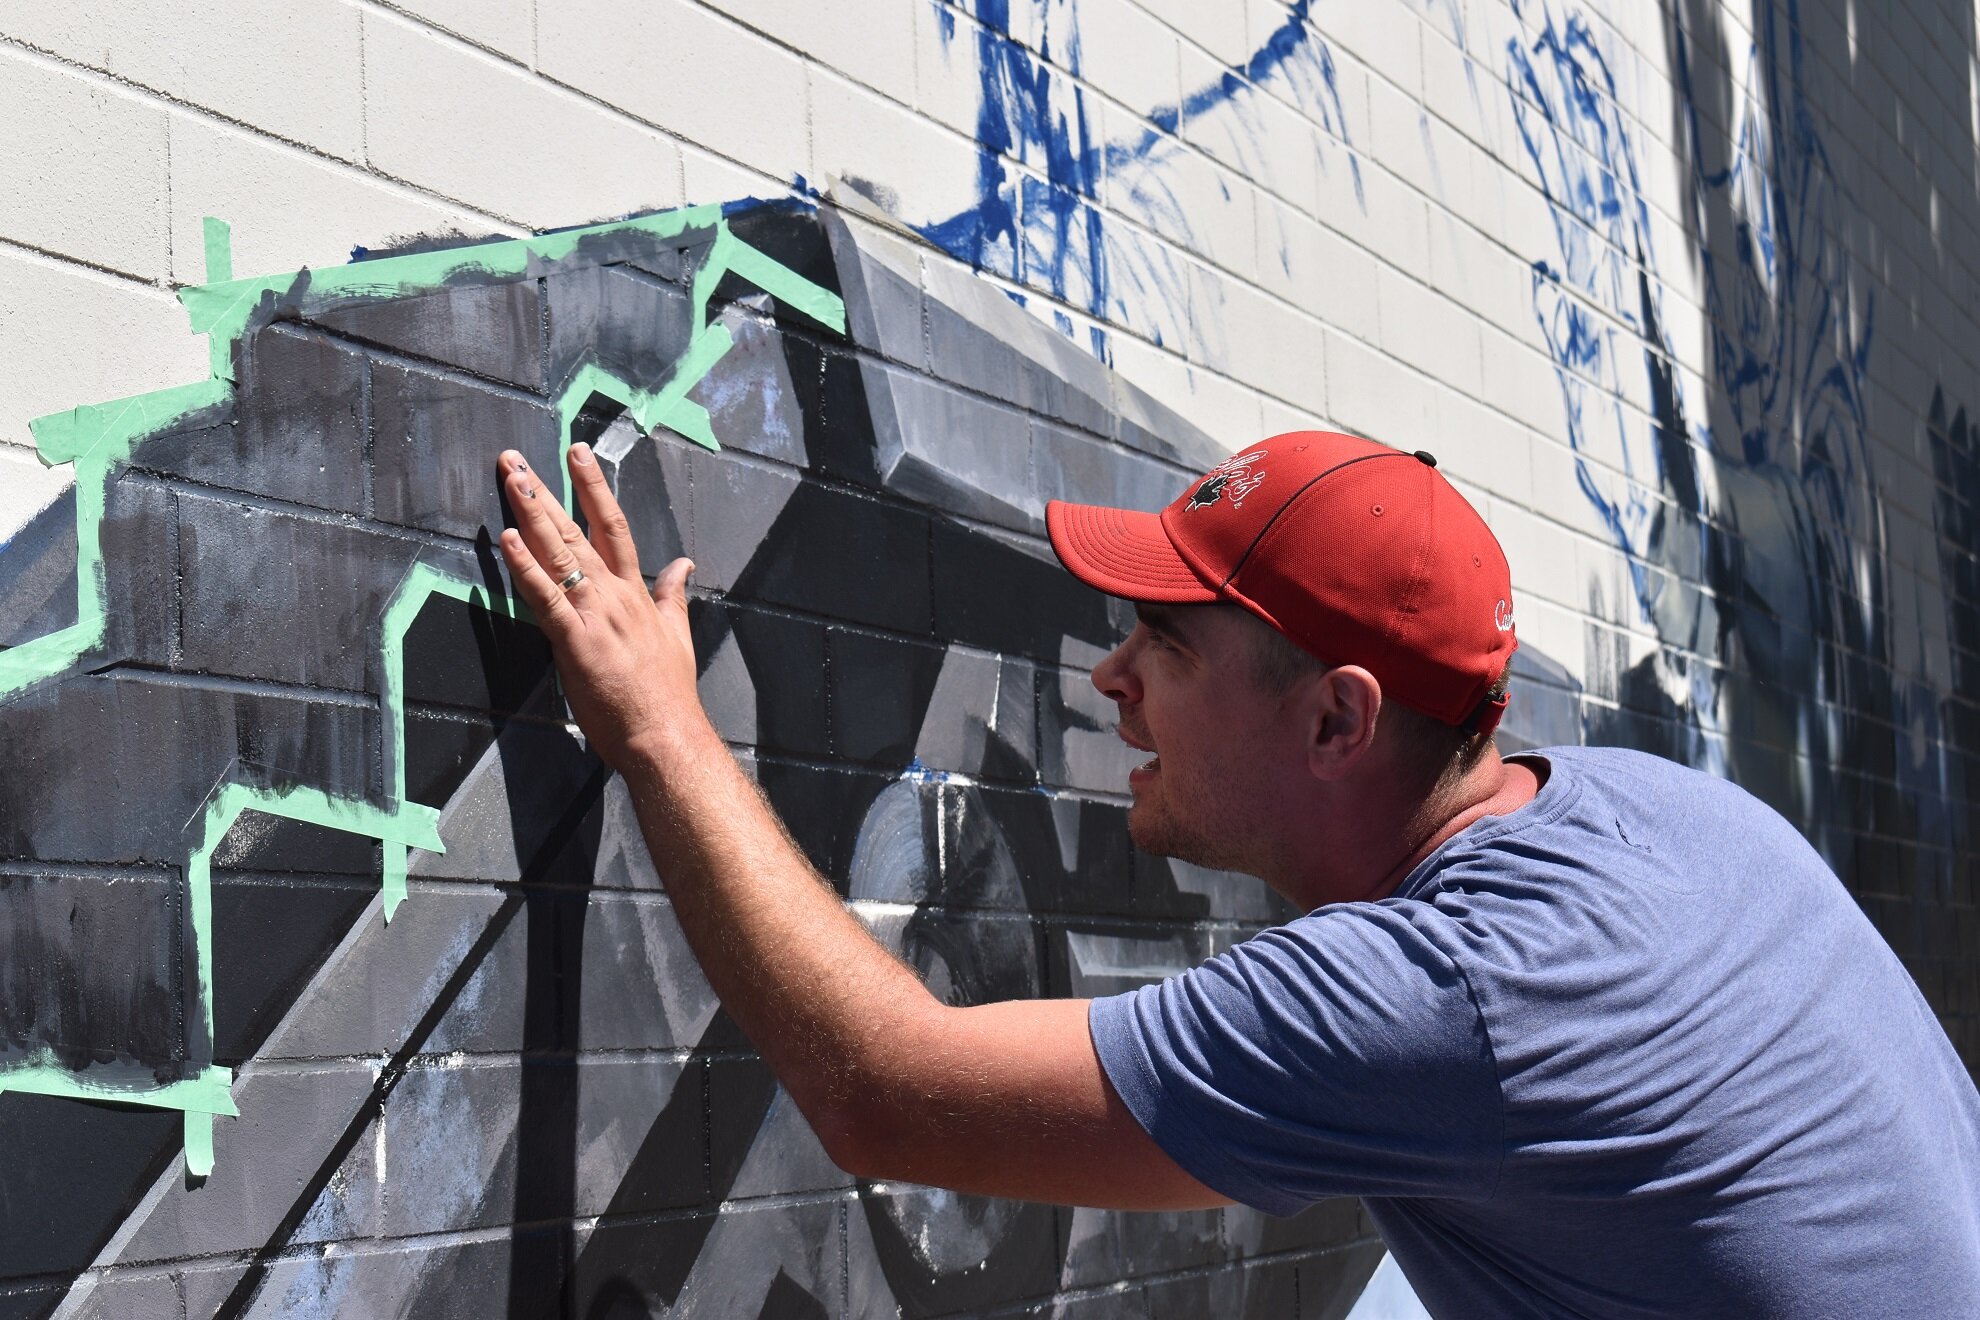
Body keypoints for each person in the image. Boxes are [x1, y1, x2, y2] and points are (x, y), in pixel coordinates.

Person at [494, 430, 1980, 1317]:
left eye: (1170, 647)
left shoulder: (1444, 998)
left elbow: (886, 1093)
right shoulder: (1652, 813)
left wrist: (664, 732)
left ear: (1338, 717)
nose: (1111, 678)